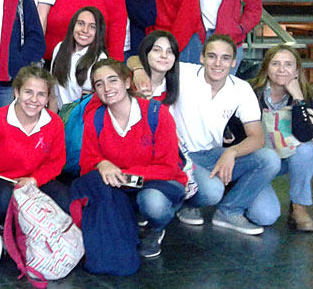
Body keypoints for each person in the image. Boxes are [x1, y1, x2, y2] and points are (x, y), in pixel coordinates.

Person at [162, 35, 281, 234]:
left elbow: (257, 137)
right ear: (201, 58)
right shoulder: (183, 72)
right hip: (180, 155)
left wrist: (231, 152)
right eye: (212, 56)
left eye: (225, 58)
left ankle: (229, 211)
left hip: (212, 154)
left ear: (234, 62)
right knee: (211, 191)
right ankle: (188, 204)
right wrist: (139, 71)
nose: (218, 63)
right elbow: (141, 59)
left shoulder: (241, 88)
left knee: (270, 160)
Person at [79, 59, 188, 259]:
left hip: (159, 182)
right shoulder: (95, 119)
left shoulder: (156, 114)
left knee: (152, 203)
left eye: (113, 80)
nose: (107, 88)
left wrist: (125, 174)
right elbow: (86, 163)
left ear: (127, 83)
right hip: (122, 185)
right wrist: (100, 163)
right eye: (99, 84)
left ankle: (157, 227)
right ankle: (132, 218)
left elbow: (169, 167)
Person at [0, 65, 68, 223]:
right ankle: (4, 234)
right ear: (16, 92)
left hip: (36, 180)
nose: (34, 100)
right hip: (3, 179)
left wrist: (34, 180)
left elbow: (55, 163)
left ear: (48, 98)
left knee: (64, 201)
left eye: (41, 94)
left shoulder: (54, 123)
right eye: (28, 92)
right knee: (4, 202)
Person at [249, 45, 313, 232]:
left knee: (306, 149)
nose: (282, 69)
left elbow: (305, 135)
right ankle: (239, 192)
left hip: (284, 158)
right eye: (275, 63)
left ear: (297, 70)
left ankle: (299, 208)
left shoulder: (306, 94)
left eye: (288, 64)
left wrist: (298, 98)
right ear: (266, 67)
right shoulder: (251, 90)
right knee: (265, 216)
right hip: (257, 160)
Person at [50, 6, 108, 107]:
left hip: (80, 117)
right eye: (80, 24)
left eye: (92, 27)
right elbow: (53, 93)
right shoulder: (60, 48)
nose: (85, 30)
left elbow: (93, 103)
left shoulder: (100, 59)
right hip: (60, 115)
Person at [132, 30, 180, 106]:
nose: (164, 55)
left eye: (170, 51)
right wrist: (137, 70)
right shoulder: (129, 82)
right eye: (157, 50)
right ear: (146, 53)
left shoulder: (175, 86)